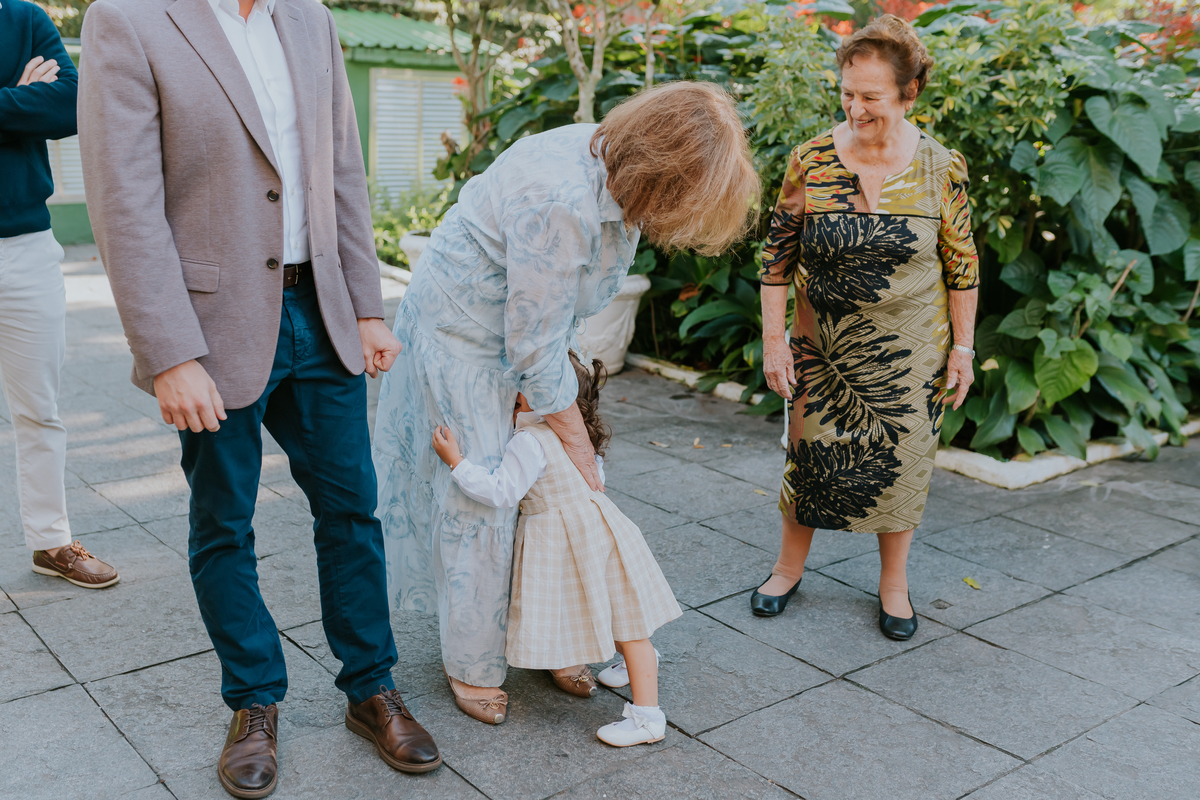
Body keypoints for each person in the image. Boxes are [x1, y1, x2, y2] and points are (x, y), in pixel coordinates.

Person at [78, 0, 440, 794]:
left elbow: (342, 171)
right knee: (223, 521)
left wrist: (367, 306)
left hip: (322, 313)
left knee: (353, 510)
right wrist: (169, 353)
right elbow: (124, 201)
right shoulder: (127, 19)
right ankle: (253, 700)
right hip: (211, 325)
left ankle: (371, 687)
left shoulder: (311, 20)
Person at [372, 81, 760, 724]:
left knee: (550, 501)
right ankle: (472, 661)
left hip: (530, 330)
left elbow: (545, 327)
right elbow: (531, 344)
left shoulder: (619, 175)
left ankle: (549, 636)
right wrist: (578, 444)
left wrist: (563, 434)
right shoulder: (560, 198)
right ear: (660, 170)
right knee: (484, 497)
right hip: (463, 331)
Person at [751, 15, 979, 641]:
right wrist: (774, 342)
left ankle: (894, 586)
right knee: (809, 461)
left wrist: (962, 349)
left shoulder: (940, 167)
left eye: (871, 96)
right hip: (822, 349)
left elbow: (962, 265)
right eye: (847, 93)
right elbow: (776, 260)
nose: (855, 108)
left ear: (909, 93)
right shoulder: (811, 161)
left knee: (902, 465)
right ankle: (786, 570)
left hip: (913, 354)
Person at [431, 352, 681, 746]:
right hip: (600, 529)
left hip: (562, 538)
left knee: (624, 624)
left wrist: (456, 462)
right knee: (618, 609)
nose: (515, 395)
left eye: (523, 390)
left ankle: (647, 718)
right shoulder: (578, 434)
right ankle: (635, 665)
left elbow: (502, 491)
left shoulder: (529, 441)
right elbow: (596, 478)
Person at [1, 0, 120, 589]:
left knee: (40, 408)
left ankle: (51, 543)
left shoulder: (24, 18)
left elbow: (72, 104)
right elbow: (39, 109)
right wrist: (17, 97)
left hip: (25, 247)